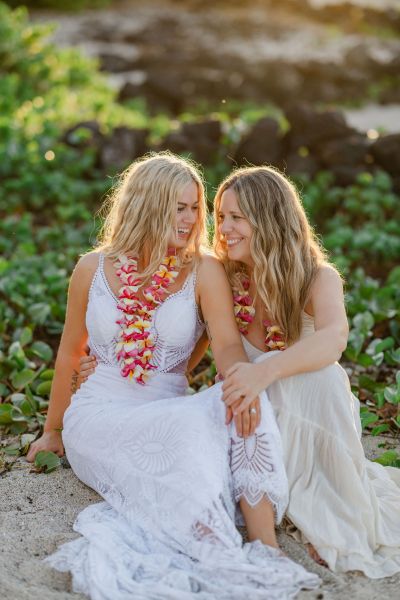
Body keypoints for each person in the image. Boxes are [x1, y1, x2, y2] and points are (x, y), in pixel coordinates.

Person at [27, 153, 319, 599]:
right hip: (98, 412)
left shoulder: (203, 269)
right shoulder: (93, 268)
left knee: (241, 396)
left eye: (193, 208)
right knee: (187, 429)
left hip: (168, 404)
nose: (189, 220)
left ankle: (266, 547)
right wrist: (52, 431)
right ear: (145, 204)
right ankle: (210, 540)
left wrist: (239, 381)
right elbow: (71, 351)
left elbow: (224, 343)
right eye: (177, 208)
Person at [214, 166, 400, 578]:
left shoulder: (318, 277)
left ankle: (327, 513)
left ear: (269, 219)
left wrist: (263, 372)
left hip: (314, 414)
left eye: (236, 218)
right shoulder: (225, 280)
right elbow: (200, 342)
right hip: (251, 413)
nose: (224, 228)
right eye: (221, 217)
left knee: (322, 377)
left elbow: (334, 338)